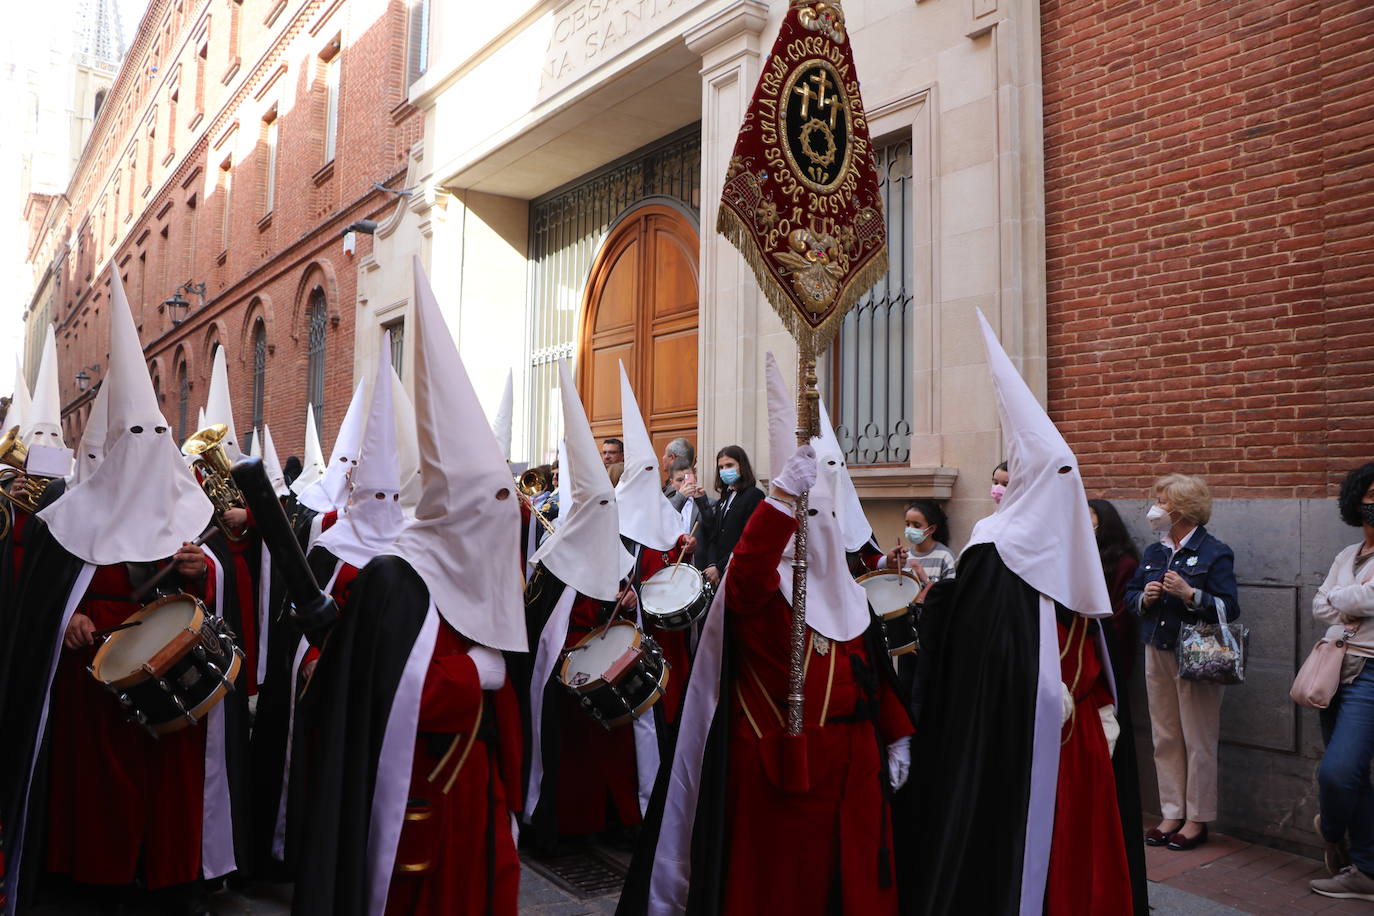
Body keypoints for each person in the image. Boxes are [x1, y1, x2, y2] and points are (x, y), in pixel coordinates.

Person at [617, 354, 913, 916]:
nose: (821, 528)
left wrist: (897, 734)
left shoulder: (849, 592)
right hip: (781, 770)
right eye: (810, 515)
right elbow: (746, 580)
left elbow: (870, 670)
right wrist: (778, 502)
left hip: (855, 776)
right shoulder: (766, 583)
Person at [291, 259, 524, 916]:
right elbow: (383, 691)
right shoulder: (395, 580)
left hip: (478, 792)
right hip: (413, 790)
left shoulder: (481, 575)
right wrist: (470, 675)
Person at [2, 271, 230, 916]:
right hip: (89, 695)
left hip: (173, 691)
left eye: (158, 435)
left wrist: (199, 571)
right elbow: (36, 610)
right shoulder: (63, 523)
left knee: (170, 797)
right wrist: (67, 619)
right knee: (96, 799)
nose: (150, 448)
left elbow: (214, 599)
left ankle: (170, 873)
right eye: (138, 437)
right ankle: (90, 873)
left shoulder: (190, 513)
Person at [906, 311, 1131, 915]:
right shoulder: (990, 553)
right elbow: (971, 660)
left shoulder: (1069, 548)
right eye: (1055, 475)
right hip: (1008, 738)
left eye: (1071, 476)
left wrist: (1091, 697)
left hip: (1073, 735)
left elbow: (1087, 632)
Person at [520, 361, 641, 854]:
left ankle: (608, 821)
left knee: (608, 757)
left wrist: (631, 603)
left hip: (603, 682)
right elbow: (539, 628)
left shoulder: (616, 555)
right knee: (567, 760)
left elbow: (632, 610)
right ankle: (559, 826)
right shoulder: (553, 564)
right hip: (561, 688)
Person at [1126, 473, 1240, 852]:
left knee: (1198, 737)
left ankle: (1197, 819)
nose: (1156, 507)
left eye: (1163, 500)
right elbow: (1129, 596)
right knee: (1165, 736)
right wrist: (1145, 597)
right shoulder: (1154, 551)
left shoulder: (1215, 551)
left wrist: (1191, 594)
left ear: (1183, 509)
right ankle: (1171, 812)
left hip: (1198, 650)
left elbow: (1229, 608)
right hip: (1156, 647)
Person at [1309, 463, 1374, 901]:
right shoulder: (1347, 555)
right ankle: (1367, 870)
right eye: (1369, 495)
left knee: (1337, 773)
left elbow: (1361, 598)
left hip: (1369, 670)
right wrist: (1346, 601)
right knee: (1353, 778)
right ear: (1356, 501)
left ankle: (1330, 827)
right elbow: (1318, 606)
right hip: (1335, 669)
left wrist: (1340, 598)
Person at [698, 445, 765, 588]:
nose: (724, 471)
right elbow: (714, 534)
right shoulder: (725, 496)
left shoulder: (753, 495)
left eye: (729, 465)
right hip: (718, 573)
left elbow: (748, 539)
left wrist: (720, 567)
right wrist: (712, 564)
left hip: (737, 571)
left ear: (742, 466)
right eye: (721, 467)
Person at [1090, 499, 1142, 681]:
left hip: (1110, 642)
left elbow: (1122, 611)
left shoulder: (1124, 564)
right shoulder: (1084, 558)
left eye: (1089, 515)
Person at [881, 499, 957, 591]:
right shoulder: (904, 557)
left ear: (931, 529)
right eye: (907, 524)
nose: (910, 529)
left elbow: (950, 594)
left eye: (916, 525)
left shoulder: (945, 557)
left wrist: (925, 579)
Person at [662, 438, 696, 508]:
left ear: (672, 457)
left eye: (665, 454)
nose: (663, 458)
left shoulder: (677, 491)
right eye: (680, 480)